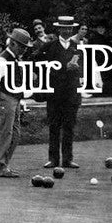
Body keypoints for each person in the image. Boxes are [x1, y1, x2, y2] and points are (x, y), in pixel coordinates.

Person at [0, 28, 33, 177]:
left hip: (14, 98)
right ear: (12, 44)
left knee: (15, 133)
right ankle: (2, 166)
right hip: (4, 98)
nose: (24, 50)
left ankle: (3, 163)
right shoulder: (2, 60)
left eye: (25, 47)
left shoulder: (16, 59)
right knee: (6, 132)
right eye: (22, 46)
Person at [40, 17, 82, 169]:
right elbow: (37, 62)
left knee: (69, 126)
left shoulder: (78, 47)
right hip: (55, 92)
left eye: (69, 29)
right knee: (54, 126)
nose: (67, 31)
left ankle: (68, 159)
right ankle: (53, 159)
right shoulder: (49, 46)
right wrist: (62, 69)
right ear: (59, 29)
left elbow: (85, 67)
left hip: (72, 92)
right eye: (64, 28)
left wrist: (77, 69)